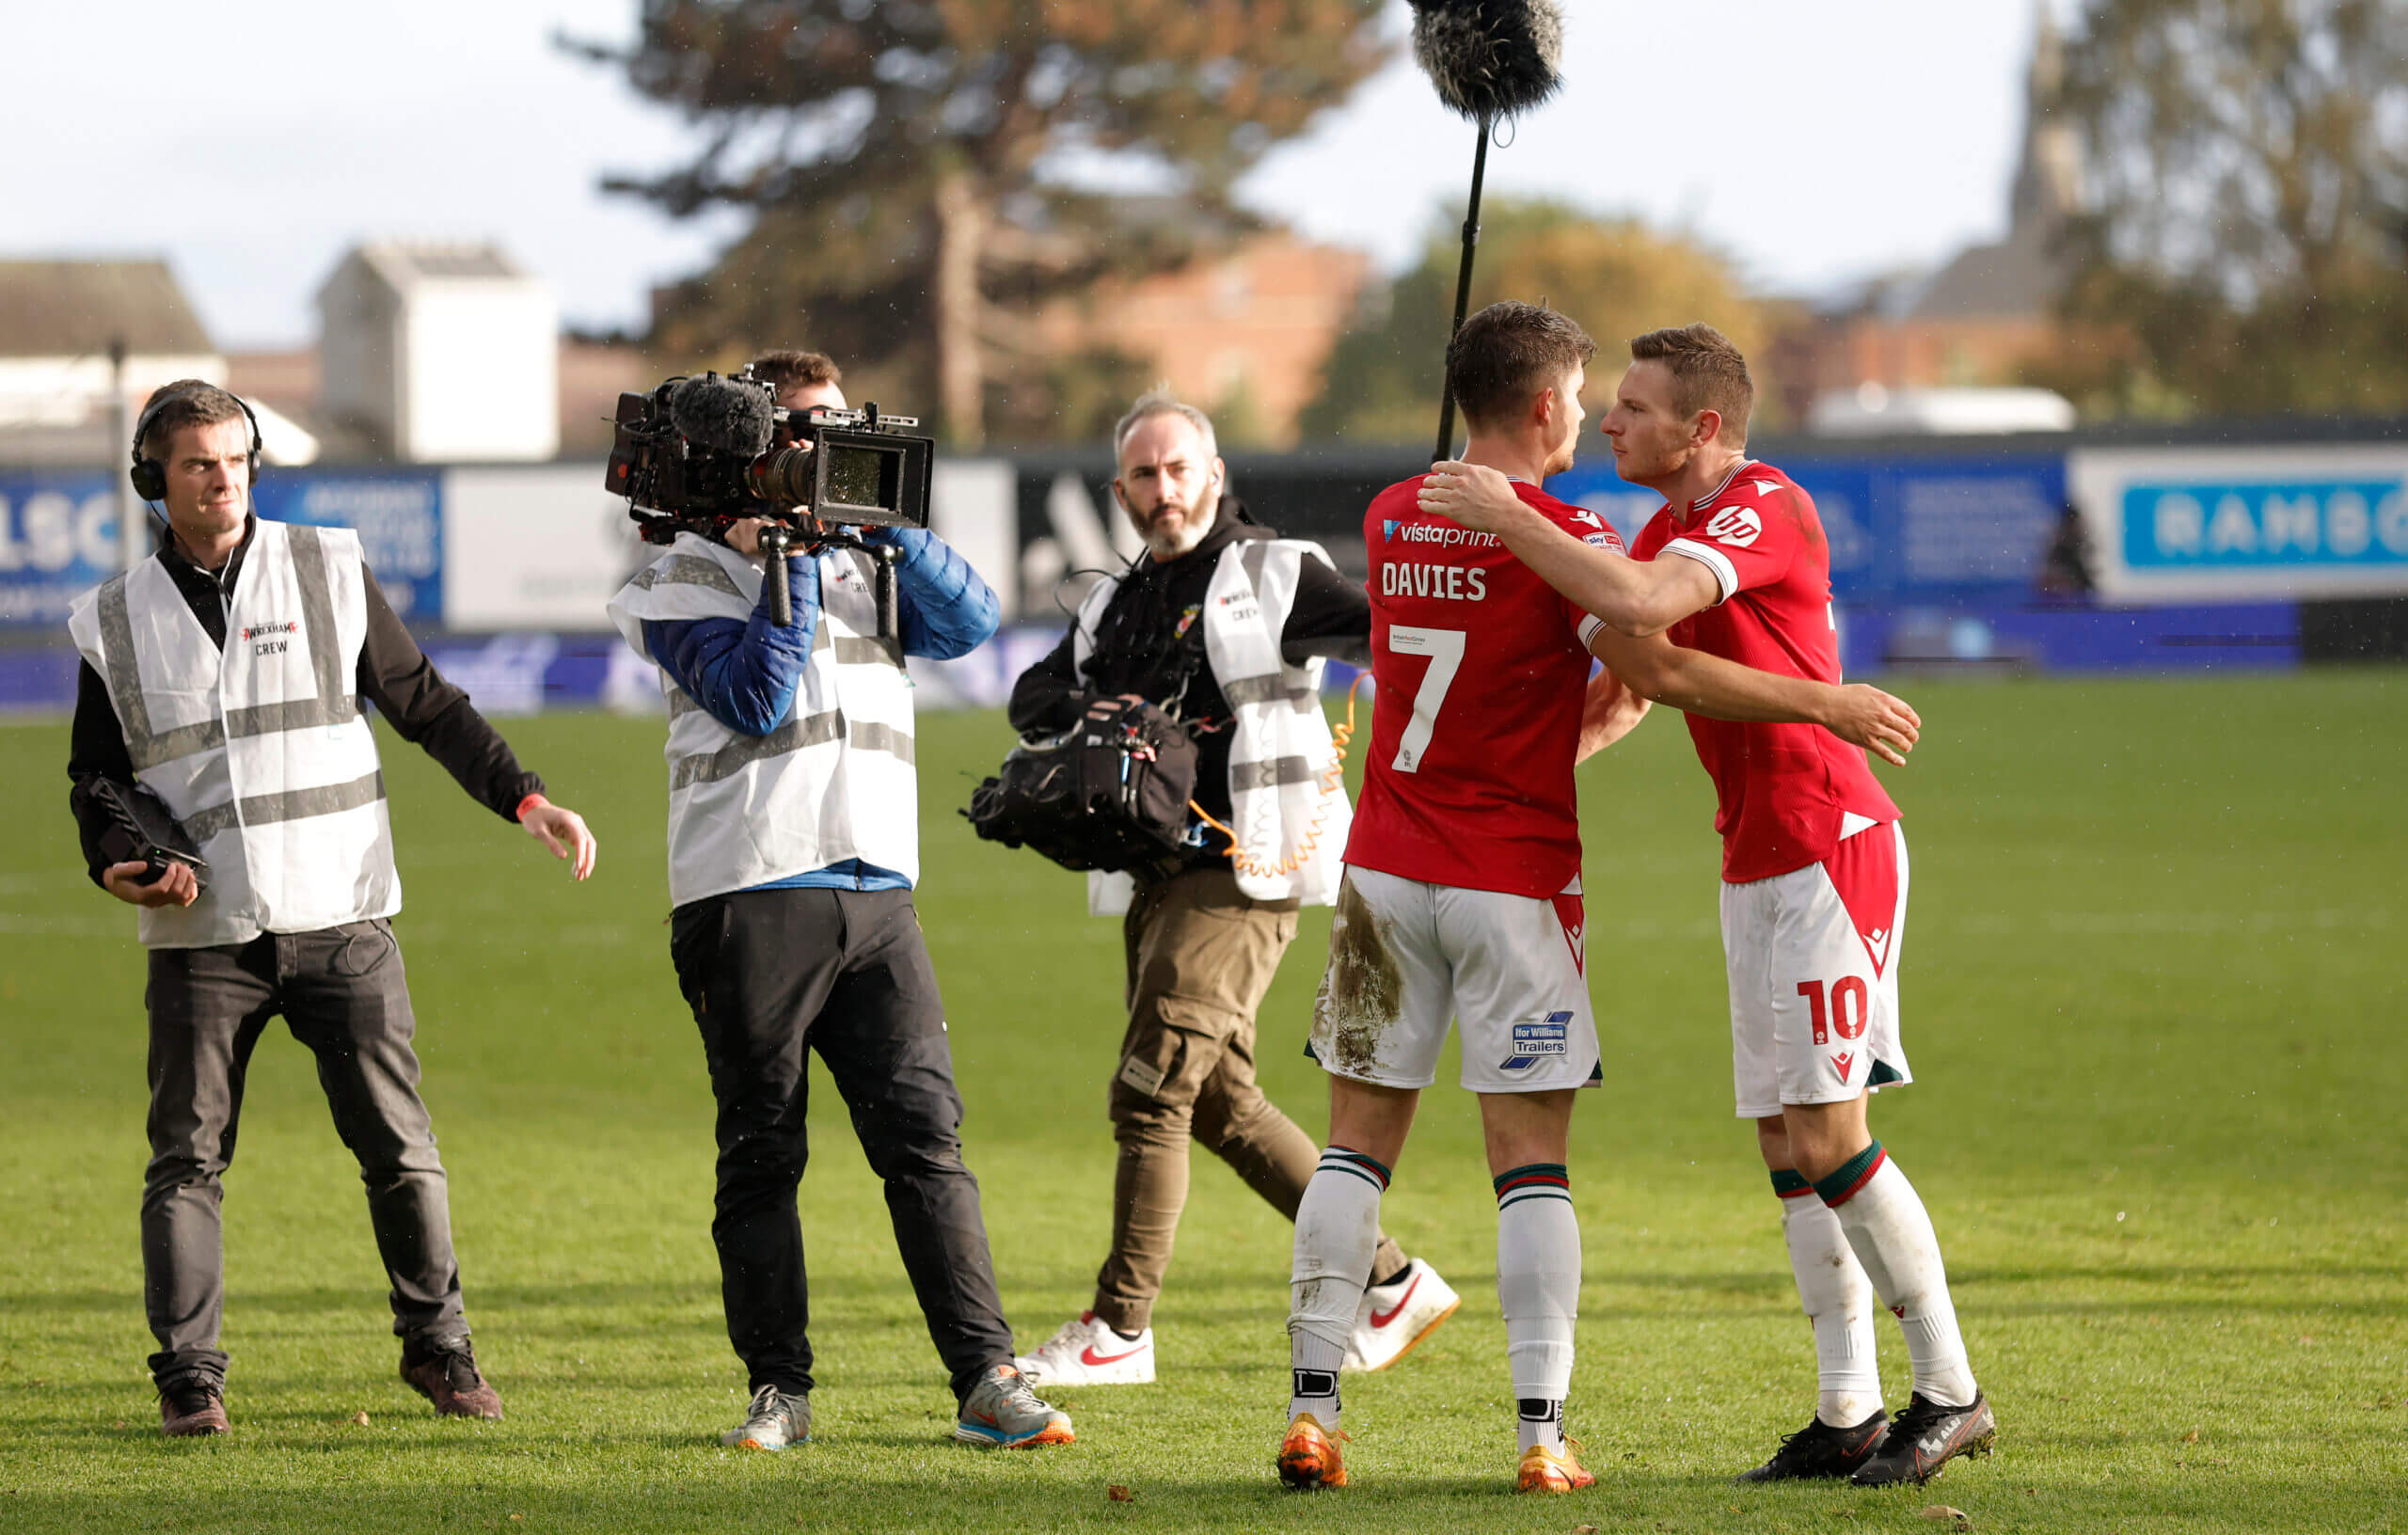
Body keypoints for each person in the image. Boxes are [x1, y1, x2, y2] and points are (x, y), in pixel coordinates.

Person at [1277, 303, 1922, 1495]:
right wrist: (1826, 701)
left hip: (1382, 869)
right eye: (1581, 395)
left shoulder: (1389, 510)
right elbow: (1652, 671)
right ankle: (1538, 1437)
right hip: (1511, 881)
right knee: (1529, 1163)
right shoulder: (1563, 536)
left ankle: (1311, 1412)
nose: (1590, 414)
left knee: (1353, 1148)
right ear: (1539, 407)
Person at [1418, 321, 1993, 1488]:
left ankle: (1951, 1389)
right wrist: (1501, 785)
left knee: (1832, 1136)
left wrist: (1512, 513)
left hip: (1833, 845)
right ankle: (1848, 1413)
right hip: (1754, 858)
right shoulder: (1670, 524)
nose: (1611, 421)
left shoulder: (1759, 505)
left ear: (1704, 429)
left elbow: (1635, 600)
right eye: (1610, 402)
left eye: (1633, 406)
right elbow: (1653, 680)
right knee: (1787, 1145)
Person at [66, 382, 599, 1437]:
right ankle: (189, 1383)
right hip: (202, 938)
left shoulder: (326, 565)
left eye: (235, 459)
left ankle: (441, 1355)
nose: (223, 479)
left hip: (344, 919)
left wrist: (525, 797)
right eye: (197, 465)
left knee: (401, 1149)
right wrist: (120, 860)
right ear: (152, 483)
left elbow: (429, 705)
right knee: (186, 1161)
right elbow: (97, 783)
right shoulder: (112, 619)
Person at [604, 350, 1071, 1452]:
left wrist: (879, 525)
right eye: (803, 432)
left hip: (877, 887)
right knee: (764, 1151)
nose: (825, 450)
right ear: (754, 443)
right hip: (746, 887)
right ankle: (780, 1392)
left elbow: (973, 623)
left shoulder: (865, 557)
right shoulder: (674, 579)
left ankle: (986, 1380)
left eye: (840, 428)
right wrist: (793, 559)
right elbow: (758, 698)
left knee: (927, 1145)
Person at [1006, 394, 1460, 1389]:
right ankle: (1390, 1284)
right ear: (1119, 489)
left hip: (1249, 865)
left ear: (1213, 472)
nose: (1162, 491)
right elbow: (1030, 696)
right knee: (1217, 1103)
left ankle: (1119, 1327)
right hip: (1155, 872)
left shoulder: (1274, 568)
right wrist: (1104, 706)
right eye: (1142, 475)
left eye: (1177, 469)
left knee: (1151, 1087)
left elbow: (1392, 627)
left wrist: (1431, 570)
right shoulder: (1114, 601)